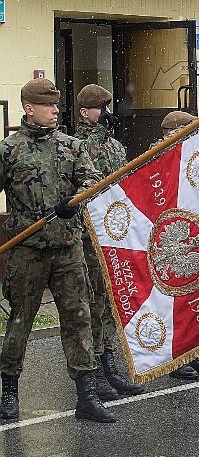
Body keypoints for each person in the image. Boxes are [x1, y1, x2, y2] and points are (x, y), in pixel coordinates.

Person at [0, 78, 116, 422]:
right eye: (48, 106)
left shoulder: (70, 146)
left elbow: (93, 181)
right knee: (20, 322)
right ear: (28, 109)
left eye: (56, 105)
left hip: (68, 248)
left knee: (78, 319)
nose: (54, 111)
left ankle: (87, 395)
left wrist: (75, 200)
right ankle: (9, 392)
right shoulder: (9, 149)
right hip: (27, 250)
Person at [75, 85, 144, 399]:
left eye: (107, 107)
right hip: (89, 233)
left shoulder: (115, 145)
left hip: (113, 230)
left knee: (110, 302)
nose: (105, 113)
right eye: (99, 108)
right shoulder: (76, 143)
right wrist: (99, 134)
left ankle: (109, 364)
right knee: (92, 302)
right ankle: (93, 369)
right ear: (84, 112)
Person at [155, 111, 199, 380]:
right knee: (172, 305)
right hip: (168, 244)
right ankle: (175, 358)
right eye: (190, 130)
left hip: (191, 237)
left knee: (192, 299)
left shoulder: (192, 160)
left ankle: (192, 353)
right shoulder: (158, 158)